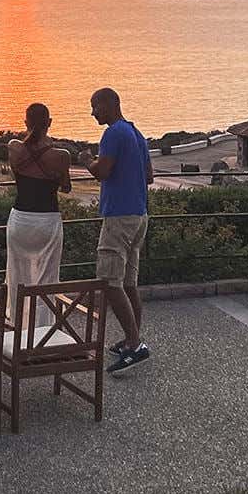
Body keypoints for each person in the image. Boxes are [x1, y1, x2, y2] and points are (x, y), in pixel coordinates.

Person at [78, 88, 153, 375]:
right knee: (129, 283)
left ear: (111, 104)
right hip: (139, 215)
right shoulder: (135, 133)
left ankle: (134, 345)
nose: (92, 112)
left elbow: (102, 172)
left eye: (95, 106)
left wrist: (87, 159)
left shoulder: (112, 133)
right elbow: (149, 176)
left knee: (109, 282)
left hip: (119, 217)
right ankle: (132, 339)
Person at [5, 103, 72, 327]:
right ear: (49, 123)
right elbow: (66, 187)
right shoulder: (61, 156)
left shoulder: (14, 147)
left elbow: (17, 170)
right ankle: (42, 332)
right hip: (47, 221)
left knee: (17, 276)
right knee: (46, 280)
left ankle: (17, 327)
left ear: (26, 123)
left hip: (20, 220)